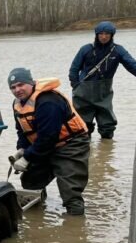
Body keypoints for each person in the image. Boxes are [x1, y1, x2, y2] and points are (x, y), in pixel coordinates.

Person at [8, 67, 90, 216]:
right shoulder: (17, 104)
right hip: (44, 145)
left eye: (21, 85)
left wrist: (27, 158)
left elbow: (48, 137)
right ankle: (38, 215)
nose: (17, 90)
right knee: (30, 182)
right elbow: (22, 131)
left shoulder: (48, 101)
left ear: (31, 83)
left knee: (70, 190)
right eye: (13, 87)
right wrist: (22, 149)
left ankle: (75, 223)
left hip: (71, 144)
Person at [68, 21, 136, 139]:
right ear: (96, 35)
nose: (104, 36)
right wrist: (75, 85)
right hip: (83, 93)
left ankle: (106, 151)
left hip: (104, 93)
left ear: (112, 35)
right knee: (83, 126)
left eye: (107, 34)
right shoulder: (86, 49)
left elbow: (133, 66)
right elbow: (74, 69)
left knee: (107, 125)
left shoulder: (118, 50)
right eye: (101, 34)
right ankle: (85, 148)